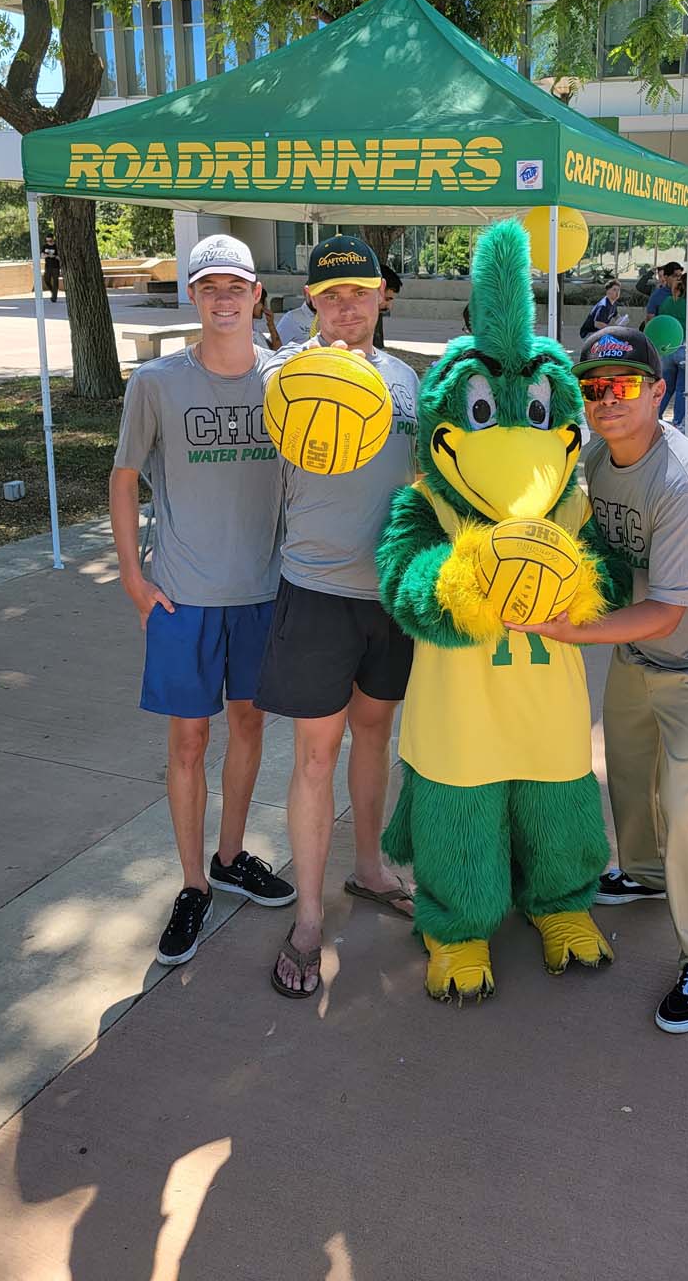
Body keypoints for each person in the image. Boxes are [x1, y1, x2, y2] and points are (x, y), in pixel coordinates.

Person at [517, 325, 688, 1033]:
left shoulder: (683, 477)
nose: (604, 400)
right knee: (627, 779)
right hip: (636, 654)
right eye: (592, 388)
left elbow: (666, 611)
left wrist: (566, 629)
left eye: (621, 387)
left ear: (659, 391)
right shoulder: (597, 456)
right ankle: (644, 875)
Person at [109, 234, 294, 967]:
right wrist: (132, 574)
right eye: (209, 287)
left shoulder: (287, 382)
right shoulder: (157, 383)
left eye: (235, 288)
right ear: (194, 295)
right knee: (189, 741)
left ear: (257, 297)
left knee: (249, 727)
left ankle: (229, 855)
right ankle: (192, 885)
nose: (223, 299)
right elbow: (125, 477)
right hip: (183, 596)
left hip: (264, 592)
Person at [255, 234, 420, 998]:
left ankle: (367, 868)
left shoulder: (410, 382)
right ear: (311, 302)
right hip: (316, 593)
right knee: (315, 757)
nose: (347, 305)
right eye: (331, 294)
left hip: (387, 596)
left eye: (361, 291)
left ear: (384, 295)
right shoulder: (285, 379)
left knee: (374, 738)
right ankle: (310, 918)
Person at [657, 271, 688, 427]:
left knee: (666, 387)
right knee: (683, 389)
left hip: (669, 348)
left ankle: (655, 417)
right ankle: (678, 422)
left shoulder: (668, 302)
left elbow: (660, 318)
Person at [41, 232, 60, 303]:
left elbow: (59, 257)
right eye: (47, 241)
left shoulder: (56, 246)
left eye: (50, 241)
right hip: (47, 266)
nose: (49, 242)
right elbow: (42, 255)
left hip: (55, 266)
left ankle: (54, 297)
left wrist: (54, 256)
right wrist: (47, 255)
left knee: (55, 281)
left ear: (53, 240)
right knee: (46, 280)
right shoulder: (45, 246)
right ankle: (53, 291)